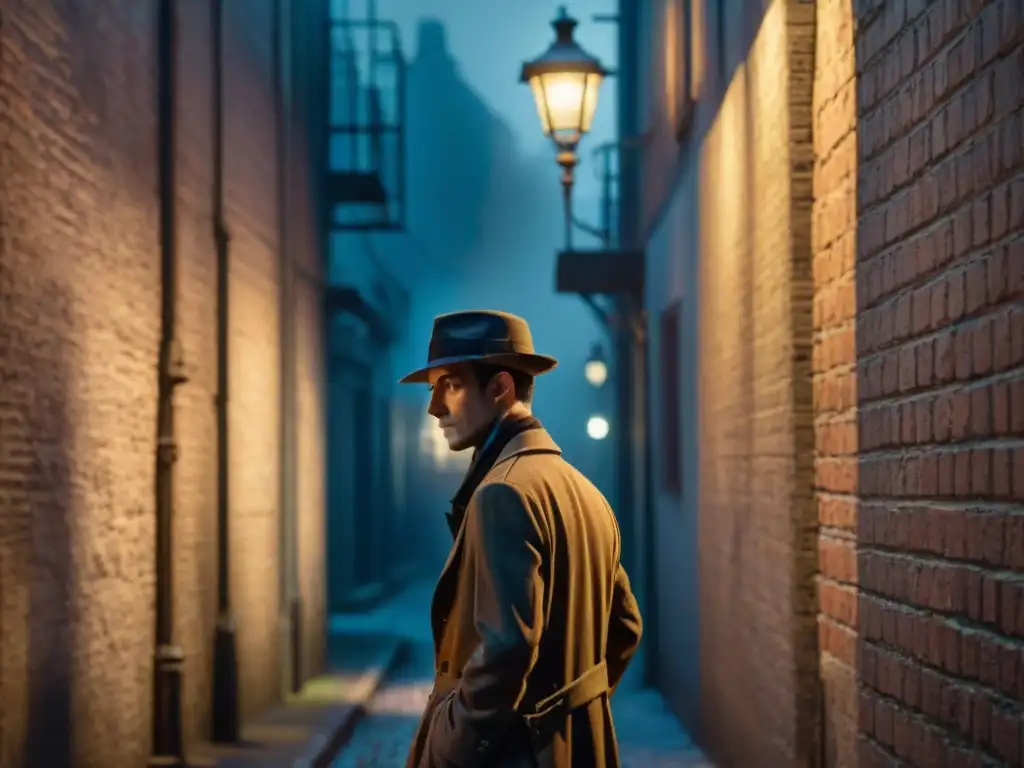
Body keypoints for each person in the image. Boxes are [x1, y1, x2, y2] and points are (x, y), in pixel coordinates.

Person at [398, 309, 643, 768]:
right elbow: (626, 628)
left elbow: (507, 647)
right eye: (434, 390)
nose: (434, 407)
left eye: (449, 384)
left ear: (500, 388)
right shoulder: (586, 493)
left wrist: (455, 742)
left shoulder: (502, 494)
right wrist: (572, 711)